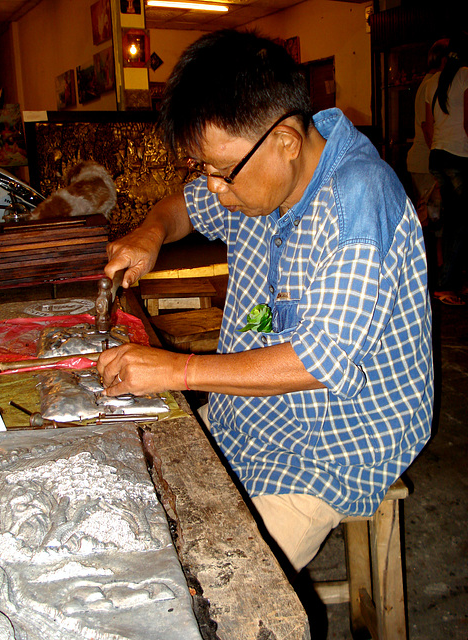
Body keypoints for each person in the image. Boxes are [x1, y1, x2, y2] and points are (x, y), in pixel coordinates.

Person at [98, 29, 433, 573]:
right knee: (126, 494)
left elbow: (318, 360)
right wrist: (150, 233)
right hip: (246, 415)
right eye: (202, 169)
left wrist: (178, 370)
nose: (212, 189)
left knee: (218, 581)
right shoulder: (253, 172)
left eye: (221, 172)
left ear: (286, 141)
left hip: (337, 440)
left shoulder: (358, 206)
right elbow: (180, 207)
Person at [424, 33, 468, 305]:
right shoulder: (464, 75)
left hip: (438, 155)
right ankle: (447, 282)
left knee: (453, 222)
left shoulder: (432, 82)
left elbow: (429, 127)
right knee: (462, 223)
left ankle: (446, 281)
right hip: (459, 155)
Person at [407, 39, 448, 228]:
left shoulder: (428, 82)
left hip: (421, 161)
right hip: (425, 163)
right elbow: (427, 129)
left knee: (430, 218)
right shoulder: (432, 84)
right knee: (427, 218)